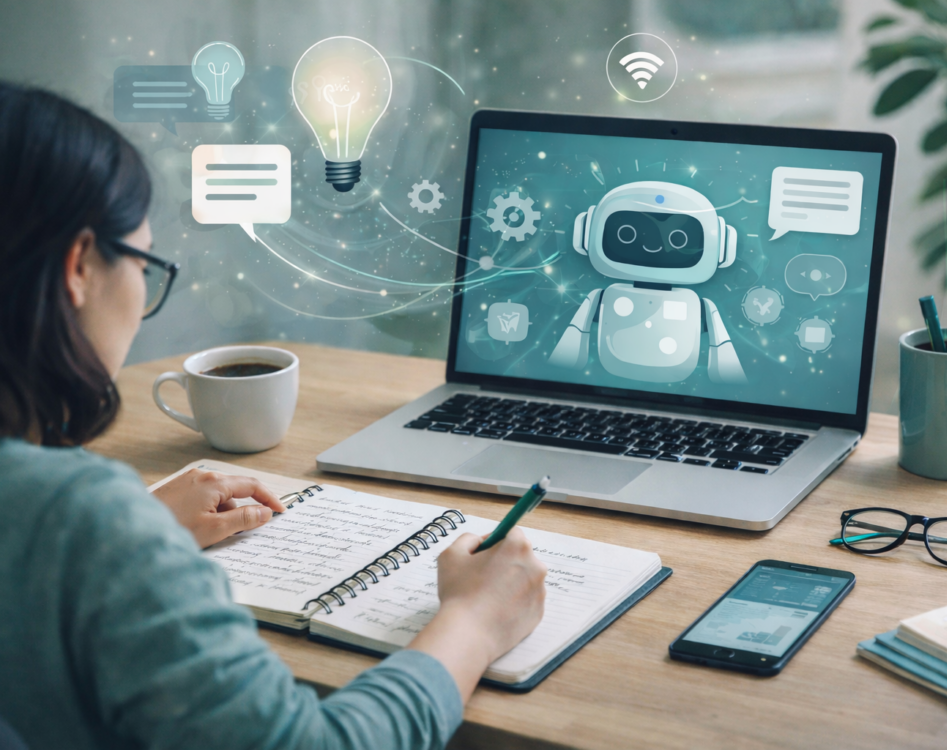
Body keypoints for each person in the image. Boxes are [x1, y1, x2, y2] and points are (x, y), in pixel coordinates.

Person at [0, 83, 548, 750]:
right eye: (144, 260)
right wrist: (475, 620)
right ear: (79, 266)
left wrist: (130, 540)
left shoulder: (69, 524)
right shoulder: (80, 517)